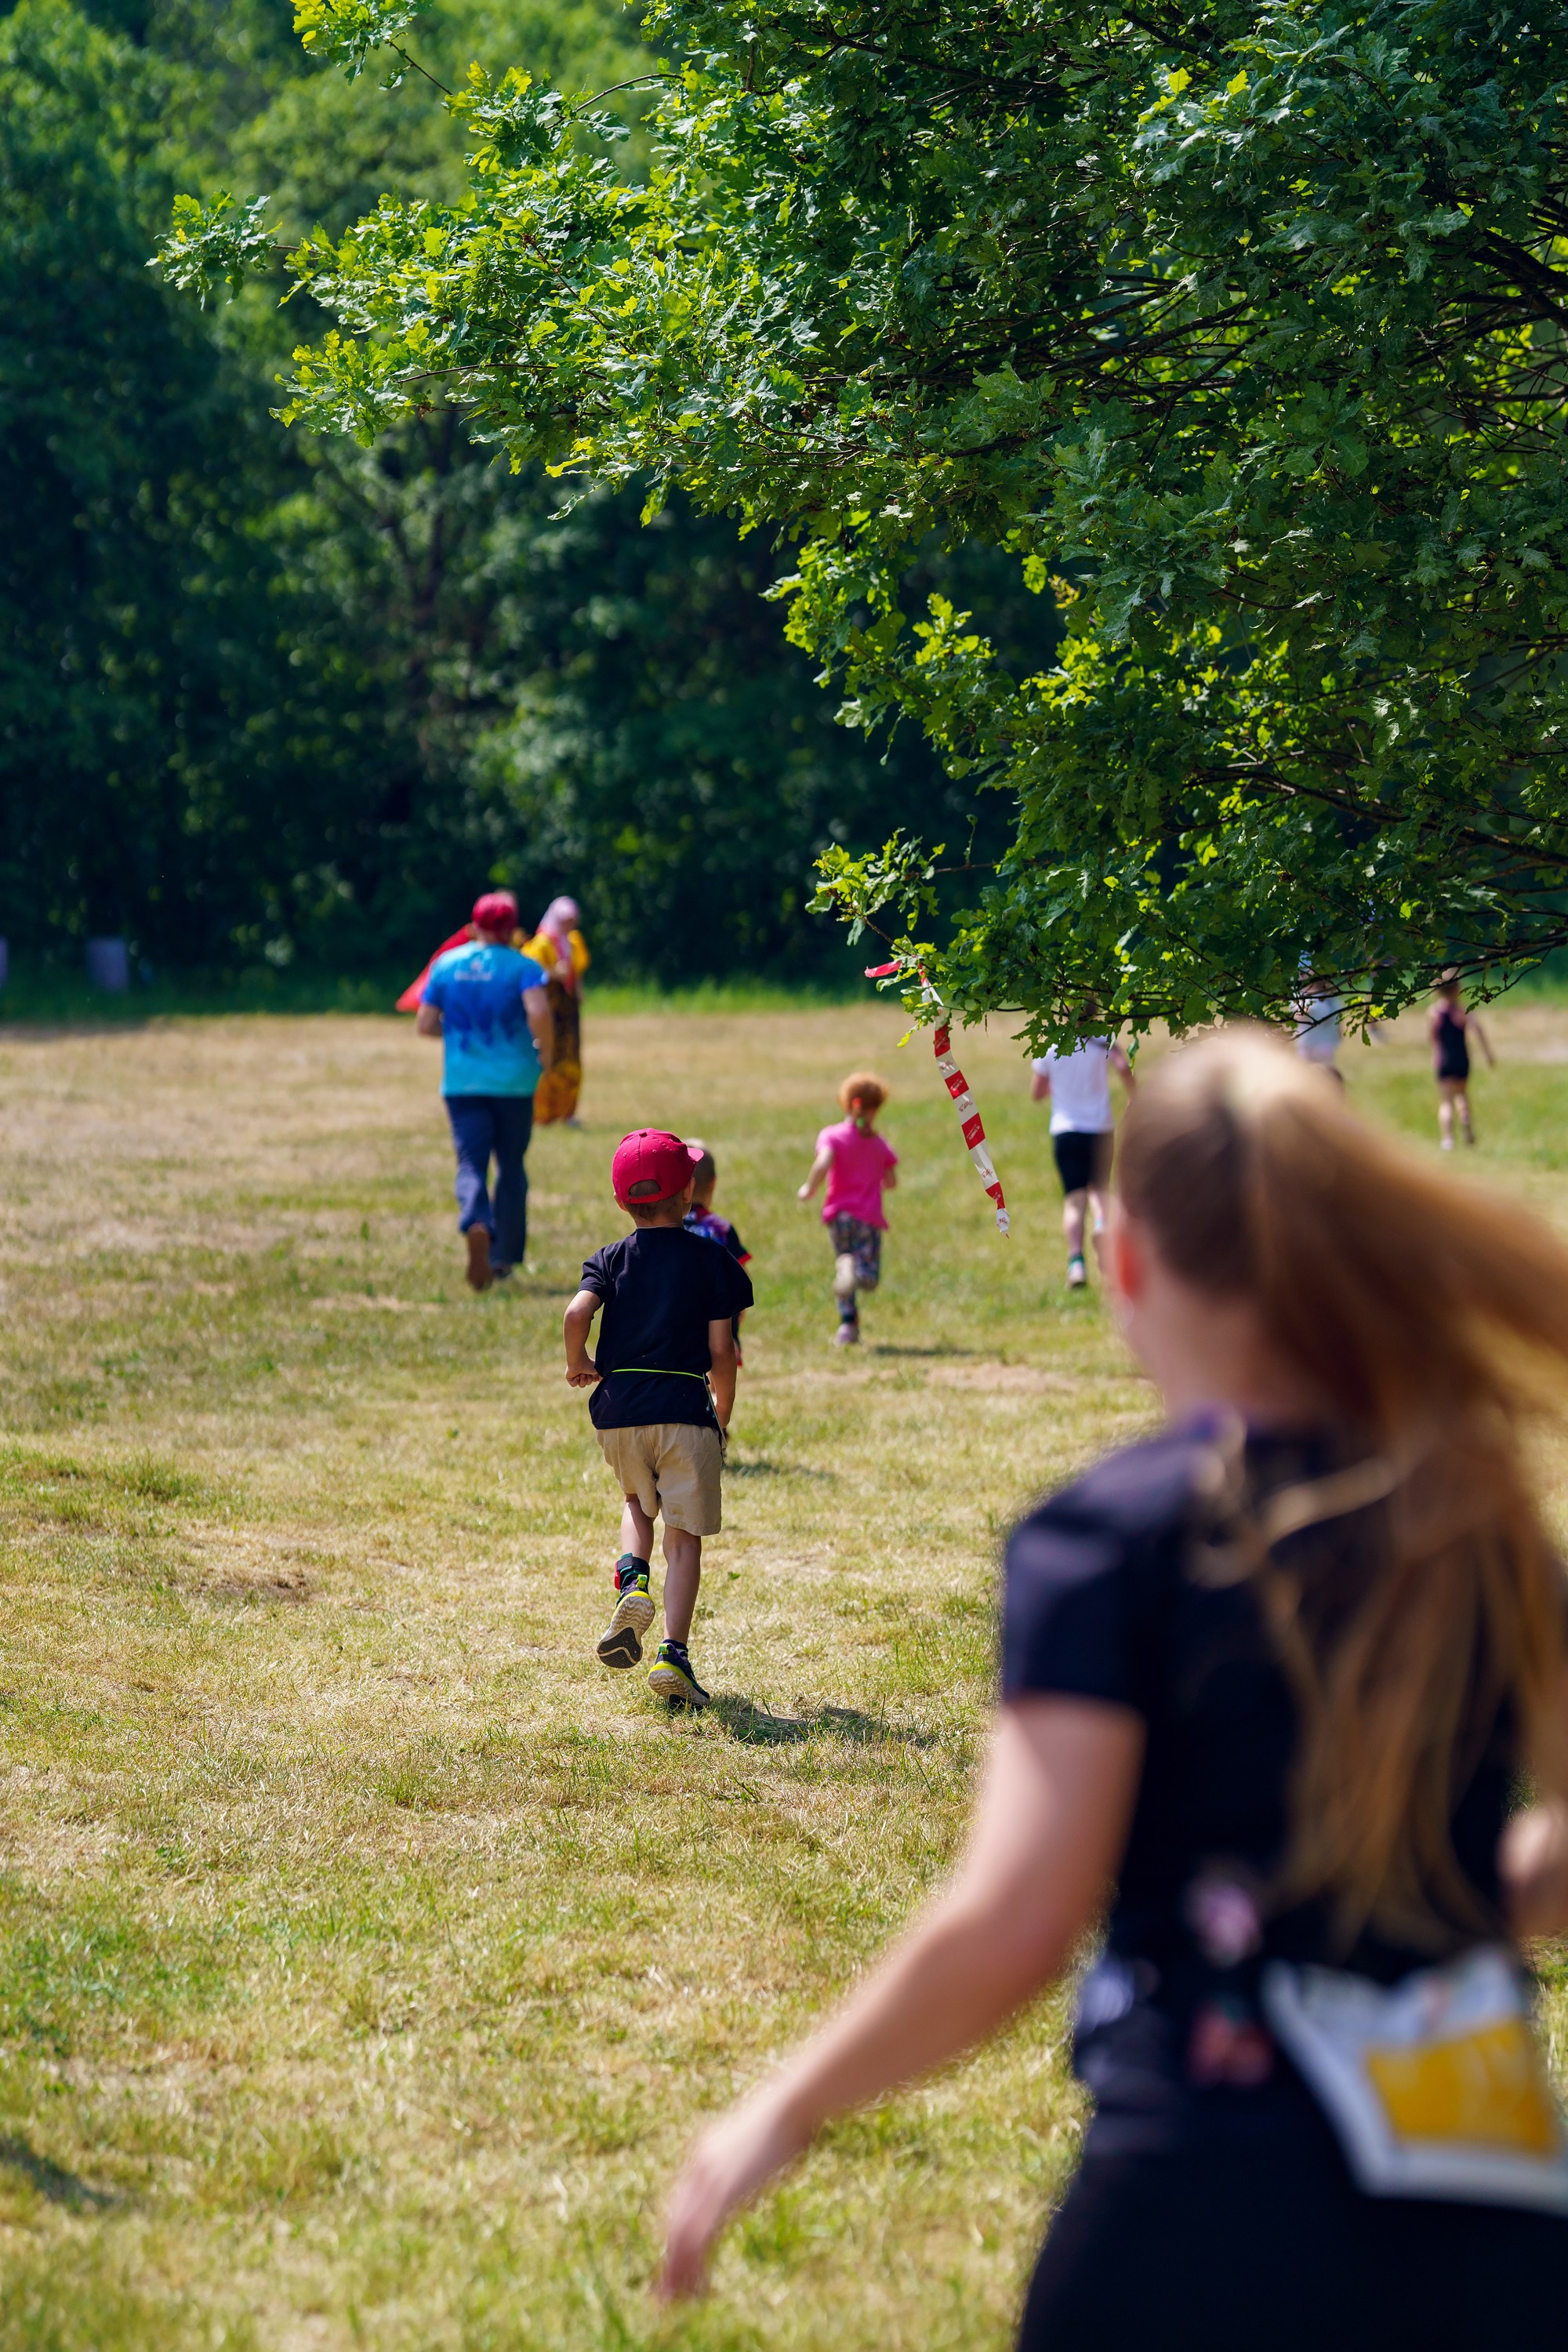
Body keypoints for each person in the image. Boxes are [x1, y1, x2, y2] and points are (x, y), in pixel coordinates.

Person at [659, 1029, 1568, 2348]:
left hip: (1200, 2204)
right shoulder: (1474, 1513)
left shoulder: (1112, 1539)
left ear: (1129, 1262)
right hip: (1494, 2213)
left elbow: (1017, 1920)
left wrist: (784, 2105)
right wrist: (1454, 1882)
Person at [564, 1129, 753, 1709]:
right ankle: (674, 1653)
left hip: (619, 1410)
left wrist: (580, 1362)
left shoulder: (610, 1258)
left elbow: (577, 1311)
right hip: (682, 1411)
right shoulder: (712, 1261)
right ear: (690, 1192)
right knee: (685, 1533)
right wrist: (722, 1409)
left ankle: (632, 1579)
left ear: (623, 1202)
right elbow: (722, 1351)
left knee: (634, 1503)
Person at [416, 891, 552, 1290]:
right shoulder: (524, 967)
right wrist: (545, 1051)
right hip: (514, 1082)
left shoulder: (446, 965)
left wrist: (458, 1034)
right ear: (512, 930)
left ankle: (476, 1220)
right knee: (511, 1165)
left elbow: (424, 1024)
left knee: (471, 1162)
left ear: (475, 926)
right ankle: (502, 1257)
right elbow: (539, 1012)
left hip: (462, 1082)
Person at [1029, 1027, 1134, 1287]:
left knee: (1074, 1199)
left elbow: (1037, 1092)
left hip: (1066, 1129)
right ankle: (1101, 1224)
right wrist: (1134, 1094)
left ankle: (1076, 1263)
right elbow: (1122, 1066)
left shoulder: (1052, 1044)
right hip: (1100, 1128)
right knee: (1100, 1189)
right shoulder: (1102, 1040)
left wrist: (1061, 1088)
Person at [797, 1073, 897, 1346]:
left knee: (845, 1271)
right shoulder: (879, 1144)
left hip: (838, 1217)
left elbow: (823, 1162)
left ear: (847, 1103)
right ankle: (856, 1272)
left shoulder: (832, 1135)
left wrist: (809, 1188)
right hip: (867, 1220)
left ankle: (847, 1327)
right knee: (867, 1278)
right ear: (875, 1108)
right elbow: (891, 1181)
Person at [523, 896, 590, 1126]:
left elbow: (577, 971)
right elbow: (531, 974)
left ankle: (567, 1112)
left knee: (570, 1059)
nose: (569, 925)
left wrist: (578, 990)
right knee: (546, 1057)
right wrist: (554, 973)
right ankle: (542, 1114)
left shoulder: (573, 942)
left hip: (568, 1009)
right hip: (550, 1006)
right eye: (565, 920)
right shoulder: (542, 944)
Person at [684, 1141, 752, 1363]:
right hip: (722, 1324)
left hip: (678, 1326)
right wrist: (737, 1316)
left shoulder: (669, 1229)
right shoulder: (721, 1230)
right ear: (713, 1184)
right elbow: (742, 1279)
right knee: (719, 1379)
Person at [1429, 971, 1496, 1149]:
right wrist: (1488, 1054)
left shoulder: (1434, 1012)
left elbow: (1433, 1038)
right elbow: (1478, 1031)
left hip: (1443, 1060)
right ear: (1458, 988)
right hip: (1461, 1059)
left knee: (1446, 1101)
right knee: (1462, 1095)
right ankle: (1466, 1124)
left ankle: (1448, 1139)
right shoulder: (1463, 1011)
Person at [1292, 972, 1345, 1083]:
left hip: (1325, 1043)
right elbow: (1297, 1016)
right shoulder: (1303, 999)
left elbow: (1337, 1016)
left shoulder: (1329, 999)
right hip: (1308, 1044)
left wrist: (1339, 1032)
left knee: (1325, 1073)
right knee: (1307, 1074)